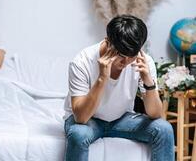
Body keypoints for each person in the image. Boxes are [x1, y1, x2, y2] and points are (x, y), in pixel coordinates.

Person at [63, 15, 174, 161]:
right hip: (89, 119)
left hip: (121, 119)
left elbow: (155, 114)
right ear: (107, 42)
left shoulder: (144, 62)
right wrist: (102, 78)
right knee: (79, 134)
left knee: (164, 129)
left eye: (132, 55)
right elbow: (81, 118)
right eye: (121, 55)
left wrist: (148, 81)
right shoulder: (82, 62)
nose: (126, 61)